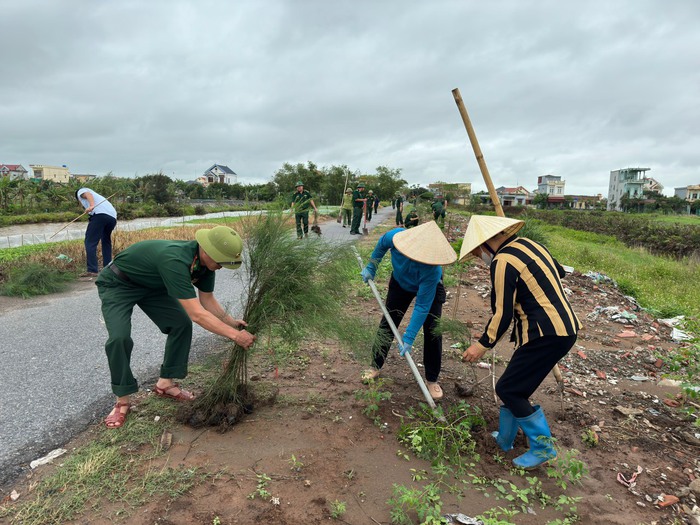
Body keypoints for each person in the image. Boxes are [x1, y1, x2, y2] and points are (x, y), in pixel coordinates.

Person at [95, 226, 257, 429]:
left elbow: (207, 300)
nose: (221, 267)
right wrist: (235, 336)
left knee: (180, 324)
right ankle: (122, 401)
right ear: (207, 251)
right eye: (220, 262)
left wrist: (232, 322)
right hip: (119, 283)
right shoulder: (175, 260)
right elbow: (197, 313)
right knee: (119, 338)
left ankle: (165, 384)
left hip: (154, 286)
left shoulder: (205, 265)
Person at [460, 215, 581, 469]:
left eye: (478, 252)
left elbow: (502, 313)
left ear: (486, 245)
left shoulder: (502, 261)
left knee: (509, 389)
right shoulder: (531, 244)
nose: (481, 257)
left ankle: (542, 448)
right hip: (564, 328)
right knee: (516, 387)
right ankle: (505, 439)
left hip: (545, 334)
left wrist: (482, 344)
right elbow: (560, 271)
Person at [360, 221, 457, 400]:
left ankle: (432, 379)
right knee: (388, 322)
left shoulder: (433, 271)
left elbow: (421, 305)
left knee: (433, 330)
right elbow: (381, 245)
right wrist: (372, 266)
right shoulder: (396, 237)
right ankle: (375, 366)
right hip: (400, 283)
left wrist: (409, 336)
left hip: (429, 288)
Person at [75, 188, 118, 277]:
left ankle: (92, 270)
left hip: (100, 216)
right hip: (112, 218)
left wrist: (91, 206)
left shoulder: (81, 191)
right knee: (106, 241)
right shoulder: (99, 198)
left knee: (90, 242)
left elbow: (87, 194)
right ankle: (108, 267)